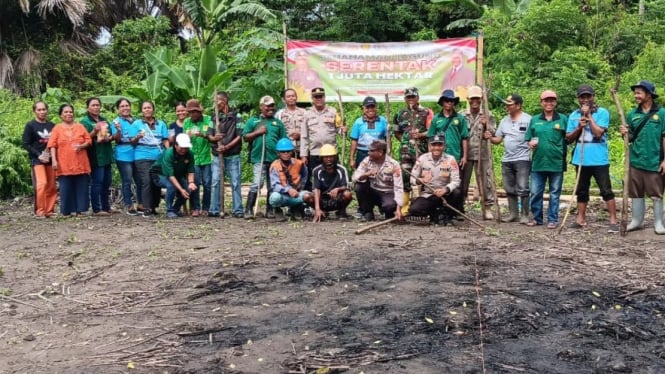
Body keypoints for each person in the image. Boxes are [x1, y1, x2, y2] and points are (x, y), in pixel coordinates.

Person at [565, 84, 619, 232]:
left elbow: (598, 133)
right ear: (578, 99)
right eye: (582, 97)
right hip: (581, 159)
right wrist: (579, 127)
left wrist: (589, 117)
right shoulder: (574, 115)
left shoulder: (602, 112)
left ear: (593, 97)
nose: (585, 99)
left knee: (606, 190)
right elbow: (568, 138)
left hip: (599, 158)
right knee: (581, 190)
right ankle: (580, 219)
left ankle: (613, 220)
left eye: (588, 96)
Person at [619, 80, 665, 234]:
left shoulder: (662, 113)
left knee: (656, 193)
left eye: (639, 92)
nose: (635, 95)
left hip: (654, 161)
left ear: (649, 94)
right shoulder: (632, 114)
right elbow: (631, 138)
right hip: (636, 160)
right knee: (636, 191)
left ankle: (658, 222)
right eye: (635, 92)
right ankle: (637, 221)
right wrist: (625, 133)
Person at [484, 94, 532, 223]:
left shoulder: (528, 120)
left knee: (523, 187)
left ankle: (525, 215)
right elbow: (498, 139)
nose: (507, 106)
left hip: (523, 159)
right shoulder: (505, 120)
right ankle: (513, 214)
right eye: (506, 104)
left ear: (518, 105)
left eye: (510, 104)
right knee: (509, 188)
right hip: (507, 159)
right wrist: (489, 137)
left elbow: (535, 137)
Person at [525, 90, 568, 229]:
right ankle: (537, 218)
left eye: (552, 100)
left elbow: (569, 137)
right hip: (538, 162)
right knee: (536, 192)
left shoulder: (562, 119)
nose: (549, 103)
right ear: (541, 102)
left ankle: (553, 219)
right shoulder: (535, 120)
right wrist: (530, 143)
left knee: (554, 193)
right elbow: (528, 138)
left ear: (555, 102)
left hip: (556, 162)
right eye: (546, 100)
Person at [243, 95, 287, 218]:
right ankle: (248, 209)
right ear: (261, 106)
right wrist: (258, 132)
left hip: (274, 160)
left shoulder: (277, 123)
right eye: (267, 106)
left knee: (272, 185)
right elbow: (245, 137)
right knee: (257, 183)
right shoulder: (253, 121)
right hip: (258, 158)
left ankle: (270, 210)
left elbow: (283, 140)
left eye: (272, 105)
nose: (270, 108)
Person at [427, 89, 468, 216]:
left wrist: (465, 156)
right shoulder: (436, 119)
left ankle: (457, 211)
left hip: (455, 156)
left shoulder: (460, 119)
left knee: (457, 185)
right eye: (446, 101)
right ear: (442, 103)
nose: (449, 103)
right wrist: (430, 156)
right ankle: (439, 209)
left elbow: (464, 138)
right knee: (439, 181)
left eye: (451, 101)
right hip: (439, 157)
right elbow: (431, 138)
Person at [394, 87, 434, 214]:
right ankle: (405, 207)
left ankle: (419, 206)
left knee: (421, 177)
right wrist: (406, 142)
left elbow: (432, 131)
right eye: (408, 97)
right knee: (405, 175)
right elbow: (396, 132)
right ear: (405, 99)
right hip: (405, 153)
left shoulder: (427, 112)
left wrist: (421, 135)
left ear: (418, 97)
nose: (411, 99)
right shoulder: (399, 114)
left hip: (421, 151)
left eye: (413, 97)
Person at [47, 104, 92, 217]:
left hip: (80, 162)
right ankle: (67, 211)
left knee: (81, 186)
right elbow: (52, 145)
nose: (68, 114)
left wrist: (81, 146)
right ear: (61, 115)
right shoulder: (57, 128)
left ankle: (81, 210)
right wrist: (54, 161)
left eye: (70, 112)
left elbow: (89, 140)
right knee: (65, 187)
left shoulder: (80, 126)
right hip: (64, 162)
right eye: (65, 112)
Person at [408, 135, 462, 225]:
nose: (436, 148)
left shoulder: (450, 159)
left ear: (444, 146)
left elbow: (456, 180)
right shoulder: (422, 159)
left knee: (457, 193)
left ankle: (447, 215)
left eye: (439, 145)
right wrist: (420, 180)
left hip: (446, 194)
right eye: (434, 145)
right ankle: (435, 214)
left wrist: (445, 189)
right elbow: (412, 178)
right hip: (429, 194)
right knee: (414, 210)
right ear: (429, 146)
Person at [461, 85, 496, 219]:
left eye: (477, 99)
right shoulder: (462, 115)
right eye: (472, 99)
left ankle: (487, 208)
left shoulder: (488, 114)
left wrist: (487, 125)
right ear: (468, 99)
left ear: (481, 99)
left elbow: (493, 132)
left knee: (485, 182)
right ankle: (461, 206)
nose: (475, 101)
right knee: (463, 182)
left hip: (483, 153)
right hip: (466, 154)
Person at [301, 87, 344, 191]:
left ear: (324, 97)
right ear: (312, 99)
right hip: (316, 153)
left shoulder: (332, 112)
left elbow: (339, 130)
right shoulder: (307, 114)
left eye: (320, 96)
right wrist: (304, 155)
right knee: (316, 177)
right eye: (316, 97)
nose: (318, 99)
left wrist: (343, 130)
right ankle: (318, 202)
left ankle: (335, 200)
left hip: (331, 152)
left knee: (333, 177)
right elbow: (304, 136)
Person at [209, 91, 244, 218]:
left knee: (235, 182)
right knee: (216, 182)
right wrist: (214, 138)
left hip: (233, 155)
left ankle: (238, 210)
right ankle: (214, 209)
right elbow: (209, 135)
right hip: (217, 155)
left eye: (217, 101)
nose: (215, 103)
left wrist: (227, 147)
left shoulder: (236, 116)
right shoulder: (213, 117)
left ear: (224, 101)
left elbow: (240, 135)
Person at [132, 101, 169, 216]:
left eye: (149, 107)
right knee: (147, 180)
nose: (147, 110)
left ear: (153, 109)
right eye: (144, 108)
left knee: (156, 181)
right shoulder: (137, 124)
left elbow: (165, 139)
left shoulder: (161, 124)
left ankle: (154, 206)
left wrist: (168, 152)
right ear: (141, 111)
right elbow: (132, 142)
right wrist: (138, 136)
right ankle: (146, 207)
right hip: (142, 156)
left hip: (158, 156)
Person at [352, 140, 404, 221]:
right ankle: (367, 212)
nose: (368, 153)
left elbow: (399, 187)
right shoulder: (367, 160)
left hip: (387, 193)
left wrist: (399, 208)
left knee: (389, 206)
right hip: (373, 191)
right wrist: (366, 174)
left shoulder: (393, 164)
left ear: (380, 152)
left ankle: (388, 211)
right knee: (359, 186)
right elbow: (355, 177)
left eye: (372, 151)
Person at [149, 134, 197, 219]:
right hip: (160, 174)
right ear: (176, 145)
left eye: (186, 148)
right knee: (171, 186)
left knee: (188, 189)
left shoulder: (190, 154)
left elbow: (190, 170)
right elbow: (170, 176)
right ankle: (169, 210)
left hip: (177, 175)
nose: (184, 150)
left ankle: (175, 209)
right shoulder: (169, 153)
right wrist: (181, 190)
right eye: (182, 147)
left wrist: (191, 182)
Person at [22, 101, 56, 218]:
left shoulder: (52, 125)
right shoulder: (30, 125)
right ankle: (40, 210)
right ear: (34, 111)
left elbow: (55, 142)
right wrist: (38, 155)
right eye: (39, 110)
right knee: (42, 184)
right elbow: (26, 144)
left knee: (51, 186)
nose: (42, 112)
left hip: (51, 159)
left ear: (47, 110)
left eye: (44, 109)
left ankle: (49, 210)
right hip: (37, 160)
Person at [80, 97, 114, 216]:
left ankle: (106, 206)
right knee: (97, 182)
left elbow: (109, 134)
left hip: (106, 154)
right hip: (95, 155)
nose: (96, 107)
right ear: (88, 107)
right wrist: (94, 131)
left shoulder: (104, 120)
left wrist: (109, 138)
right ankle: (96, 208)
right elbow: (84, 138)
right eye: (93, 105)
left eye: (97, 105)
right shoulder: (85, 122)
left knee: (107, 182)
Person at [268, 138, 313, 221]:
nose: (286, 154)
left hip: (296, 194)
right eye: (283, 152)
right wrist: (288, 190)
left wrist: (300, 187)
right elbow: (275, 186)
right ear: (278, 153)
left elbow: (305, 174)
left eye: (288, 151)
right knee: (274, 197)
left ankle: (296, 208)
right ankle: (278, 210)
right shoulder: (274, 166)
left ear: (292, 152)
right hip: (282, 195)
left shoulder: (299, 163)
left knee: (309, 196)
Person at [111, 98, 142, 215]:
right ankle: (129, 205)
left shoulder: (136, 121)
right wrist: (118, 130)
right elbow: (117, 139)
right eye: (122, 106)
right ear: (118, 109)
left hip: (137, 153)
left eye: (127, 105)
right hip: (123, 155)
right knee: (127, 180)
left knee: (139, 180)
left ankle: (141, 204)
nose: (125, 108)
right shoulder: (116, 122)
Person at [182, 99, 213, 216]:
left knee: (207, 183)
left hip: (207, 157)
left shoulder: (208, 120)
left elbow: (212, 136)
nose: (193, 114)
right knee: (195, 183)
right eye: (190, 112)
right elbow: (184, 140)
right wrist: (187, 136)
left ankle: (206, 207)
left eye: (195, 112)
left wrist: (202, 135)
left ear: (199, 111)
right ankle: (195, 207)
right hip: (193, 158)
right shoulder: (186, 122)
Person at [309, 144, 353, 222]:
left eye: (331, 156)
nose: (328, 159)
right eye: (326, 157)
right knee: (306, 196)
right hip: (322, 199)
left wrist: (338, 189)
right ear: (322, 158)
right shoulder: (316, 170)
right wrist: (317, 208)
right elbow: (316, 189)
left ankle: (341, 211)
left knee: (347, 194)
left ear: (335, 157)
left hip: (336, 199)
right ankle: (321, 211)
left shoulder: (341, 169)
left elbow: (346, 186)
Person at [349, 96, 389, 170]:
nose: (370, 109)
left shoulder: (383, 121)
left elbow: (388, 140)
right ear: (363, 109)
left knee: (379, 176)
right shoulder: (358, 122)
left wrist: (389, 154)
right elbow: (354, 141)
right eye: (367, 107)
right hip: (362, 153)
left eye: (372, 107)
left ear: (376, 108)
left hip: (379, 153)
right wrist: (351, 159)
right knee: (362, 177)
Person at [275, 88, 306, 158]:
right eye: (288, 96)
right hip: (286, 150)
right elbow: (276, 132)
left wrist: (300, 135)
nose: (291, 98)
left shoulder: (304, 113)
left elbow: (310, 131)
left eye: (293, 96)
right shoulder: (279, 114)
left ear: (296, 98)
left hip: (302, 150)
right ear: (284, 99)